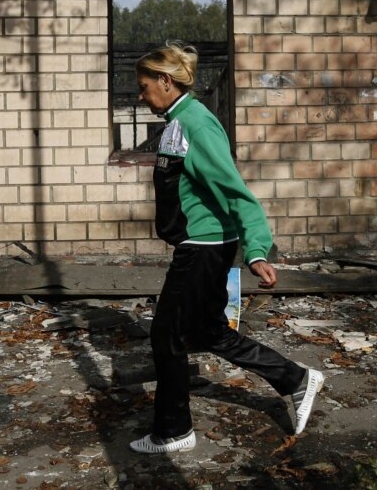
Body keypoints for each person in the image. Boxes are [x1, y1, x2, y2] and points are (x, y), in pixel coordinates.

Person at [129, 43, 325, 455]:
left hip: (202, 250)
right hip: (201, 244)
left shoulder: (197, 124)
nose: (141, 96)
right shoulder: (177, 121)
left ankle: (174, 431)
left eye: (145, 87)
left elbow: (238, 193)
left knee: (167, 336)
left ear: (166, 81)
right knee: (208, 331)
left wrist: (257, 250)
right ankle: (296, 379)